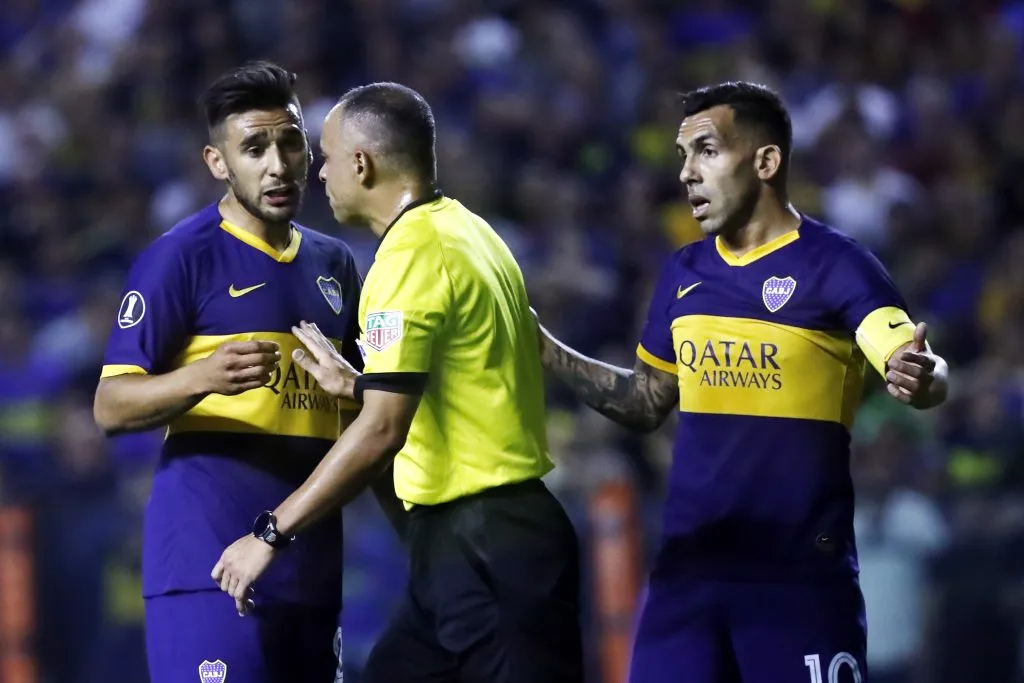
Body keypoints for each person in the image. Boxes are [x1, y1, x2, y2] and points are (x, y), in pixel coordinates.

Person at [534, 81, 950, 683]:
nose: (686, 174)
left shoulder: (836, 264)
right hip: (688, 579)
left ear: (766, 161)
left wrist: (923, 375)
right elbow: (647, 400)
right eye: (682, 156)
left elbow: (912, 356)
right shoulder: (684, 271)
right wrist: (542, 346)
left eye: (705, 150)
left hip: (797, 581)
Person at [212, 81, 584, 683]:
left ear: (361, 163)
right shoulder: (469, 231)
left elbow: (384, 429)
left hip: (490, 543)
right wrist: (362, 387)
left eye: (326, 158)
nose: (321, 175)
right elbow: (440, 384)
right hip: (463, 547)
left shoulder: (407, 259)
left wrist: (271, 531)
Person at [94, 61, 370, 683]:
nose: (277, 164)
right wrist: (202, 377)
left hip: (310, 570)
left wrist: (351, 390)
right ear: (217, 163)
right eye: (253, 147)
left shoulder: (335, 266)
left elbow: (369, 415)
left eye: (289, 141)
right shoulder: (179, 258)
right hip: (206, 568)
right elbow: (110, 406)